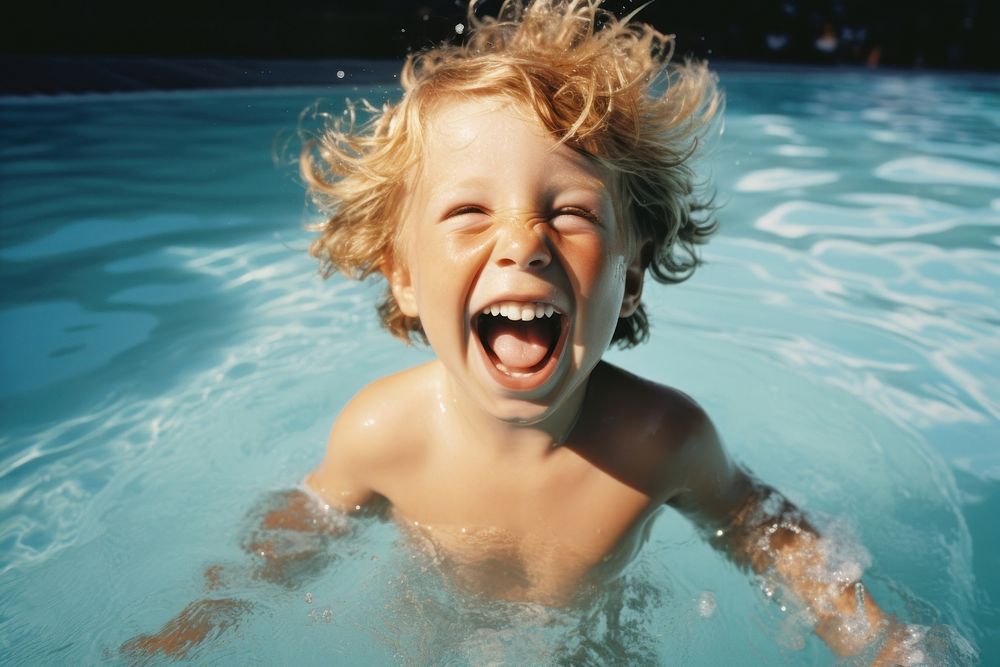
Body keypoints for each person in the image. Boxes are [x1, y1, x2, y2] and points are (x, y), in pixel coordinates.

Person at [122, 1, 915, 661]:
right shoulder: (383, 432)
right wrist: (181, 633)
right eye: (469, 212)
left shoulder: (660, 438)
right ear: (402, 273)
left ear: (630, 277)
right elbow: (287, 542)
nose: (524, 240)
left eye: (569, 212)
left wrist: (878, 639)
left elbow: (764, 530)